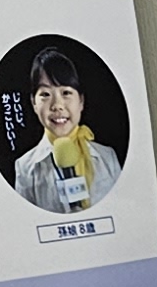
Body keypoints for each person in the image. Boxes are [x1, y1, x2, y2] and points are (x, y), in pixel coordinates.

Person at [7, 49, 119, 214]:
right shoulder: (25, 168)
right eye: (45, 94)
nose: (57, 105)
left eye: (66, 92)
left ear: (81, 101)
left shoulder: (107, 157)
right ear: (34, 104)